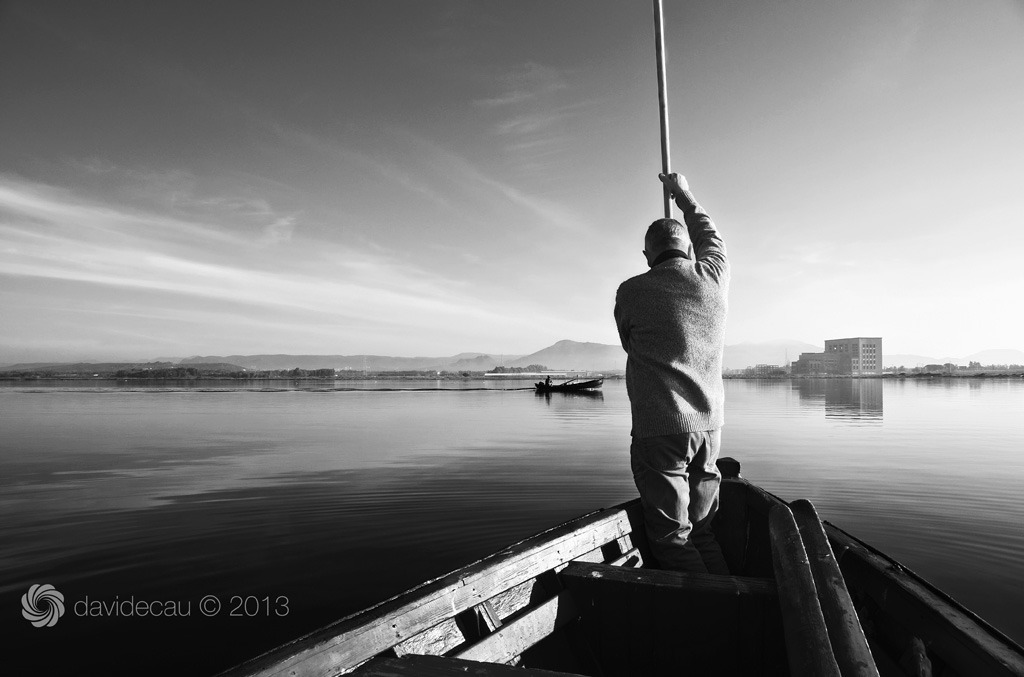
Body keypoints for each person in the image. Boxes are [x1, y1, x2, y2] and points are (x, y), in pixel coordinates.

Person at [613, 172, 730, 574]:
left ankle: (710, 623)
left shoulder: (630, 291)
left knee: (671, 538)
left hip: (659, 428)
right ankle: (731, 607)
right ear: (687, 248)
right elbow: (710, 236)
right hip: (709, 428)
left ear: (648, 255)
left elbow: (629, 342)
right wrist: (683, 194)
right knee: (702, 533)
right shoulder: (714, 277)